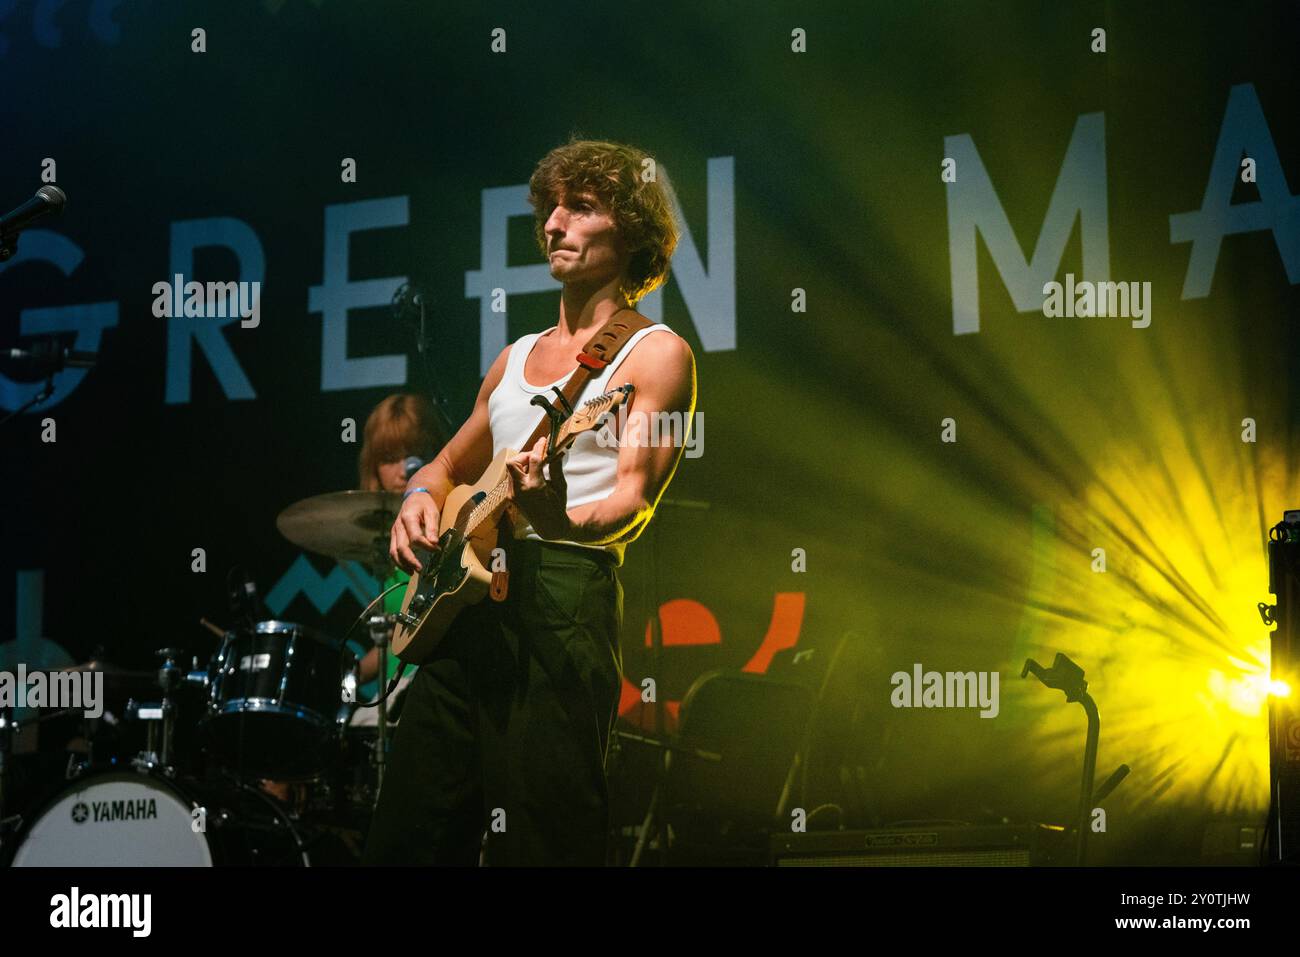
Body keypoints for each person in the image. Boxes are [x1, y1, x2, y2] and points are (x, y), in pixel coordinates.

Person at [362, 137, 697, 866]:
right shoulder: (513, 357)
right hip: (463, 608)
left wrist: (555, 514)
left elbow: (634, 500)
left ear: (633, 229)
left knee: (545, 842)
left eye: (581, 208)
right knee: (406, 838)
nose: (553, 224)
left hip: (564, 599)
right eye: (551, 208)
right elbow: (450, 462)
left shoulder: (658, 353)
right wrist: (420, 495)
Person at [354, 393, 447, 700]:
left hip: (433, 688)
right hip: (395, 691)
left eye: (416, 454)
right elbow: (396, 644)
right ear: (373, 466)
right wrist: (345, 674)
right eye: (390, 458)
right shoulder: (384, 549)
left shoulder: (448, 529)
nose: (404, 470)